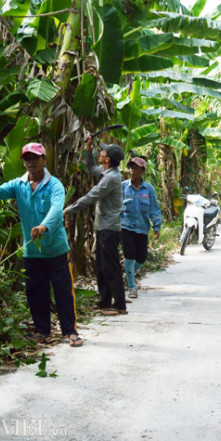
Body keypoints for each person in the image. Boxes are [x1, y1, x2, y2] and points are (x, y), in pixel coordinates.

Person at [0, 143, 83, 347]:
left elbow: (56, 208)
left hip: (56, 250)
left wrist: (44, 226)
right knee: (36, 292)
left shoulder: (55, 185)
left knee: (63, 292)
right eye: (27, 158)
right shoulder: (18, 185)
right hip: (32, 252)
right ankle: (42, 330)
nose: (30, 162)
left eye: (35, 158)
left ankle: (71, 331)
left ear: (44, 160)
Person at [64, 135, 126, 316]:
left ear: (107, 159)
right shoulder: (108, 173)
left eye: (103, 151)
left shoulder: (111, 178)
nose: (101, 152)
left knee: (110, 267)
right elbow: (91, 166)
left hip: (109, 229)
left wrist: (68, 210)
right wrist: (89, 148)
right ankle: (106, 302)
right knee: (102, 266)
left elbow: (91, 196)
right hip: (103, 228)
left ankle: (120, 304)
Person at [121, 156, 162, 299]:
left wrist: (157, 225)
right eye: (130, 168)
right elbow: (117, 207)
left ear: (143, 171)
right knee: (129, 254)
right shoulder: (123, 187)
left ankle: (128, 274)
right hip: (126, 227)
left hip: (142, 228)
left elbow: (154, 209)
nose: (132, 171)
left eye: (135, 168)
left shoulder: (148, 189)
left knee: (141, 257)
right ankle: (132, 286)